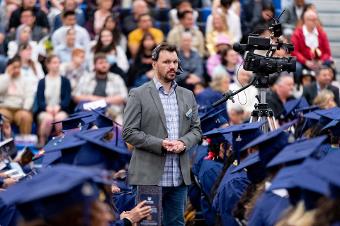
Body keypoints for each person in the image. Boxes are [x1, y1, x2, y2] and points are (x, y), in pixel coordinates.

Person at [122, 43, 202, 226]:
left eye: (175, 61)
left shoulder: (187, 95)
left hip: (178, 178)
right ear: (154, 64)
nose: (172, 66)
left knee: (176, 223)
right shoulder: (138, 94)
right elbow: (128, 132)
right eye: (166, 61)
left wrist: (183, 142)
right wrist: (160, 143)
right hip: (148, 177)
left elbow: (197, 130)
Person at [73, 53, 128, 123]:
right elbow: (76, 97)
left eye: (106, 62)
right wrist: (91, 98)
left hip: (112, 112)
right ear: (94, 65)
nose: (104, 65)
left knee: (119, 122)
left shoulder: (116, 78)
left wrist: (102, 101)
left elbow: (124, 97)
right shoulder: (86, 78)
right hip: (89, 111)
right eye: (101, 63)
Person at [35, 55, 72, 146]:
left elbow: (67, 99)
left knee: (59, 118)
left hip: (61, 110)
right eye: (54, 62)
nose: (57, 65)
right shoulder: (42, 82)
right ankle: (42, 143)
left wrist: (59, 107)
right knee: (48, 119)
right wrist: (47, 108)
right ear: (48, 64)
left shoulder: (65, 81)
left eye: (59, 62)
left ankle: (60, 144)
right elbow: (40, 100)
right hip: (45, 110)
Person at [291, 10, 333, 83]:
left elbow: (327, 52)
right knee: (296, 67)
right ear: (306, 20)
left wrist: (321, 61)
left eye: (315, 19)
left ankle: (328, 86)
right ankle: (297, 86)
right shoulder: (297, 33)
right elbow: (294, 51)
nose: (315, 22)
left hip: (319, 61)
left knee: (329, 62)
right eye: (312, 20)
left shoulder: (322, 33)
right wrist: (305, 61)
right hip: (303, 62)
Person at [0, 56, 35, 134]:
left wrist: (25, 109)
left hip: (20, 109)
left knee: (25, 117)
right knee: (1, 116)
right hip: (4, 108)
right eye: (14, 67)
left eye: (18, 67)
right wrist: (8, 76)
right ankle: (5, 142)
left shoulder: (25, 80)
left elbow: (29, 96)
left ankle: (25, 143)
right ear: (9, 67)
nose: (16, 70)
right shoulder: (2, 78)